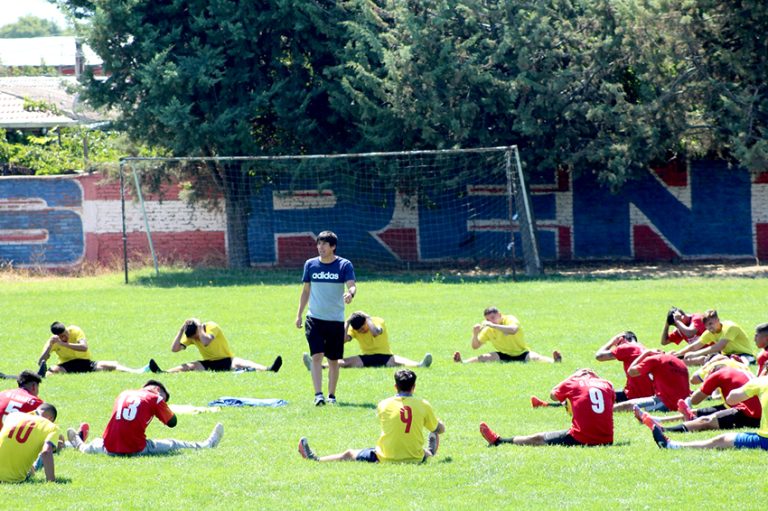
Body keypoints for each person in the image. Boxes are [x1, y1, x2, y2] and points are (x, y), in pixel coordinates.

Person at [298, 369, 444, 462]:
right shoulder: (424, 404)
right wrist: (439, 425)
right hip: (414, 458)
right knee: (422, 444)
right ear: (414, 387)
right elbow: (439, 429)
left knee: (349, 454)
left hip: (385, 458)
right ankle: (430, 452)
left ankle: (316, 459)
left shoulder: (384, 404)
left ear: (395, 386)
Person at [67, 380, 223, 456]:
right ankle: (206, 445)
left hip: (109, 447)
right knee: (172, 444)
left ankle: (78, 444)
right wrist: (161, 407)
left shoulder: (124, 393)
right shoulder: (155, 398)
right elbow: (172, 422)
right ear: (156, 389)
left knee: (94, 444)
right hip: (135, 448)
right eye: (163, 396)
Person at [295, 230, 356, 406]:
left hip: (335, 320)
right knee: (316, 356)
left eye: (324, 244)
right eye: (318, 244)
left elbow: (352, 286)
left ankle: (331, 395)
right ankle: (318, 394)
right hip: (314, 318)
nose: (320, 247)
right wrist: (299, 314)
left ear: (333, 247)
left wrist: (350, 294)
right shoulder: (310, 265)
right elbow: (306, 290)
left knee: (333, 360)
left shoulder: (344, 265)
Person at [480, 368, 614, 447]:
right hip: (607, 439)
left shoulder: (573, 382)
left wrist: (571, 378)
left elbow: (553, 395)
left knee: (537, 438)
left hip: (582, 437)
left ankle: (499, 441)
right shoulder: (607, 383)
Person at [634, 363, 759, 434]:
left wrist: (705, 385)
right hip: (755, 408)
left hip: (751, 414)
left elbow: (695, 400)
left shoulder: (717, 374)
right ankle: (660, 419)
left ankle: (664, 429)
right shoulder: (740, 370)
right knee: (700, 412)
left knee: (707, 420)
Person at [651, 376, 768, 450]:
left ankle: (672, 445)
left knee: (721, 439)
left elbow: (731, 399)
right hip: (757, 426)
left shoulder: (761, 382)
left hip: (764, 439)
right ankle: (664, 425)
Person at [302, 311, 432, 370]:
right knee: (343, 362)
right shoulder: (354, 328)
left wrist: (367, 318)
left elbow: (375, 332)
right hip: (366, 358)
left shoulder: (377, 321)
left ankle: (420, 365)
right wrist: (347, 322)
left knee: (400, 361)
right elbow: (341, 340)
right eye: (359, 331)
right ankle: (317, 366)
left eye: (363, 328)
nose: (362, 332)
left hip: (385, 356)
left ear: (366, 322)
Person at [149, 319, 282, 373]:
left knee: (243, 362)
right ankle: (164, 373)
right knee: (190, 365)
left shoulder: (212, 327)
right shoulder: (192, 335)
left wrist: (200, 328)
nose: (195, 339)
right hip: (209, 363)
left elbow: (206, 341)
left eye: (195, 336)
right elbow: (174, 349)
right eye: (193, 338)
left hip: (227, 360)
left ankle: (268, 369)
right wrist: (180, 331)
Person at [453, 307, 561, 364]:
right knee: (482, 357)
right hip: (503, 354)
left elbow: (513, 330)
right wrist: (475, 334)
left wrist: (493, 326)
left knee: (536, 357)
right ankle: (462, 362)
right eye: (487, 319)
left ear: (500, 314)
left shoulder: (509, 319)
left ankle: (555, 361)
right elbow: (475, 347)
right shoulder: (489, 328)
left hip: (522, 353)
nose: (490, 321)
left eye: (493, 317)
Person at [38, 322, 147, 375]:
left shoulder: (75, 330)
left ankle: (137, 371)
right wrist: (49, 347)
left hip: (85, 362)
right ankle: (39, 380)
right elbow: (41, 361)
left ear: (67, 329)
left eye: (65, 334)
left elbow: (84, 347)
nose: (65, 337)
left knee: (112, 365)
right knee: (52, 371)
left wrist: (63, 344)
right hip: (67, 365)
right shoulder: (53, 341)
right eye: (61, 337)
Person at [594, 331, 655, 411]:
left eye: (617, 344)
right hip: (651, 396)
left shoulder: (627, 347)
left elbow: (599, 356)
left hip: (633, 396)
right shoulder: (644, 348)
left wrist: (612, 341)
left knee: (599, 396)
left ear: (622, 338)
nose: (616, 346)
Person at [672, 310, 756, 366]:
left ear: (718, 320)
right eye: (707, 326)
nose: (709, 327)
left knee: (741, 362)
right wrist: (678, 354)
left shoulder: (730, 327)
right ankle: (675, 362)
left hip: (744, 355)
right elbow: (694, 346)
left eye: (711, 324)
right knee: (705, 360)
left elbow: (719, 346)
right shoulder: (709, 332)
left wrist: (695, 354)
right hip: (727, 356)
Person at [0, 403, 59, 483]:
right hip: (11, 479)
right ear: (51, 418)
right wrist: (52, 481)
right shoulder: (51, 426)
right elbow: (46, 452)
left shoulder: (13, 415)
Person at [625, 349, 691, 412]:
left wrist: (645, 353)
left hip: (667, 403)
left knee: (628, 405)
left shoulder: (654, 359)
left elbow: (631, 372)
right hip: (685, 402)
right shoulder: (678, 361)